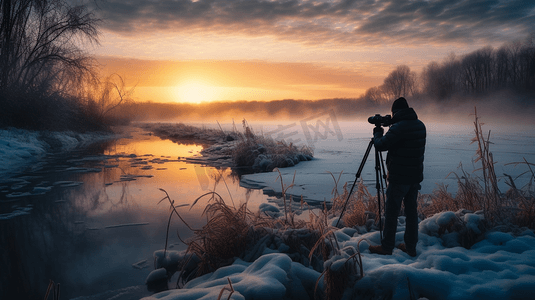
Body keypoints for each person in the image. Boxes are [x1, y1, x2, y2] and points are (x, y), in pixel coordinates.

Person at [368, 97, 426, 257]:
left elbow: (381, 145)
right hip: (414, 177)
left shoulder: (399, 128)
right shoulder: (420, 125)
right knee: (411, 213)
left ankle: (386, 247)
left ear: (396, 112)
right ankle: (411, 247)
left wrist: (378, 132)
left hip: (398, 178)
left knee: (392, 213)